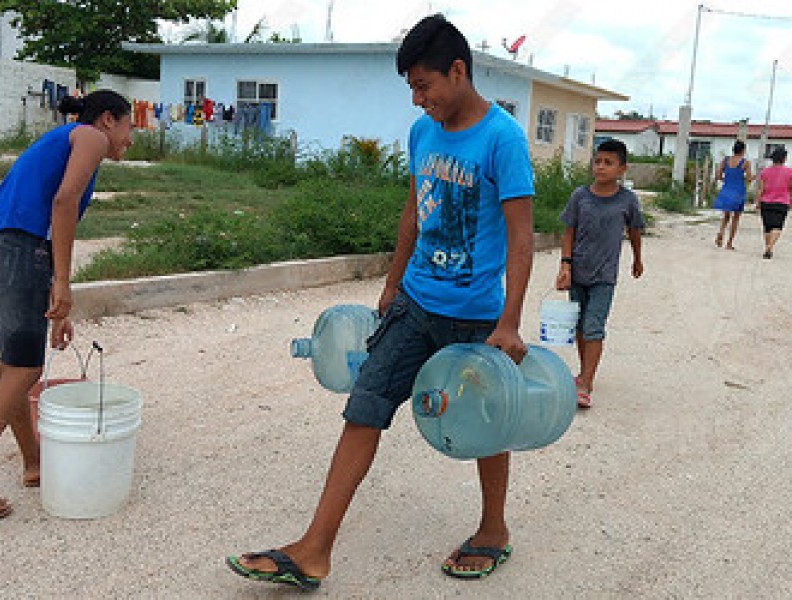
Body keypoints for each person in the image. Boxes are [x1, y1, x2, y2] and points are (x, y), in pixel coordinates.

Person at [226, 14, 534, 589]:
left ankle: (493, 529)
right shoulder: (423, 134)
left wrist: (510, 320)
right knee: (363, 407)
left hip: (476, 316)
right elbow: (415, 210)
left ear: (458, 70)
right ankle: (314, 549)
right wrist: (391, 287)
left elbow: (521, 235)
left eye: (424, 86)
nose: (418, 101)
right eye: (412, 89)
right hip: (415, 304)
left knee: (485, 424)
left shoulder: (503, 139)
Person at [0, 90, 133, 521]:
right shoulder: (90, 137)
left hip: (3, 249)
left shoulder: (61, 140)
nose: (130, 139)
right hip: (19, 251)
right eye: (130, 127)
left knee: (14, 368)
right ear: (109, 119)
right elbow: (63, 203)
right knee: (25, 370)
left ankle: (34, 465)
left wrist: (57, 297)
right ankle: (32, 463)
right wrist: (65, 283)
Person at [555, 139, 644, 409]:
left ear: (622, 169)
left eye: (608, 163)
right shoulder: (580, 196)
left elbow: (635, 230)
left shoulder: (627, 200)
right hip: (578, 273)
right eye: (598, 161)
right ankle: (584, 373)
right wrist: (565, 265)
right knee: (580, 326)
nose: (601, 167)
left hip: (604, 276)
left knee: (594, 326)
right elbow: (568, 231)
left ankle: (586, 383)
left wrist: (638, 259)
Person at [713, 140, 752, 250]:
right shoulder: (745, 163)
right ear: (743, 150)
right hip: (738, 190)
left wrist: (727, 179)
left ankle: (721, 232)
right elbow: (748, 178)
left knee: (726, 215)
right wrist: (750, 178)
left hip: (726, 189)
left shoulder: (725, 160)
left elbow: (718, 175)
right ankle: (729, 243)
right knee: (736, 217)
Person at [755, 147, 792, 259]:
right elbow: (790, 188)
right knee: (777, 227)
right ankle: (769, 247)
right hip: (782, 202)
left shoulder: (764, 172)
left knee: (767, 227)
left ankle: (768, 247)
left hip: (766, 202)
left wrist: (757, 202)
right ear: (784, 158)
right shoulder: (790, 172)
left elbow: (760, 189)